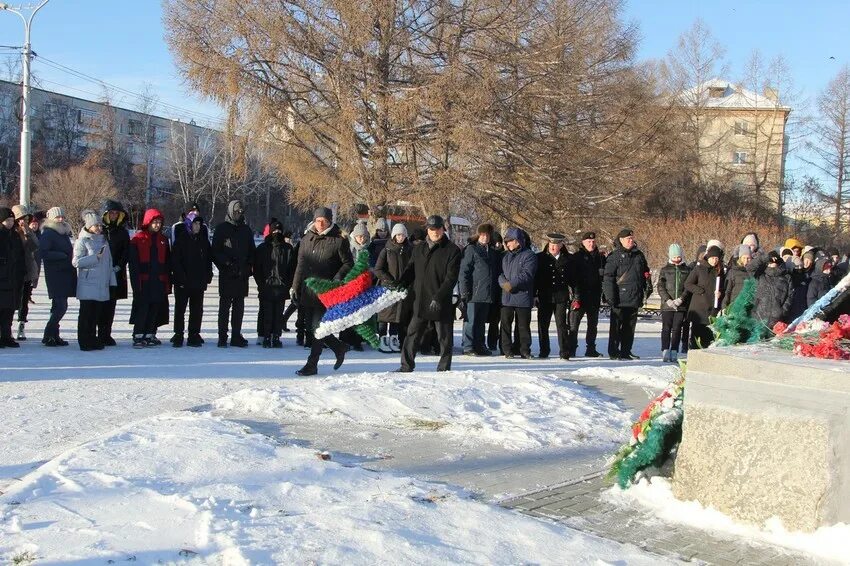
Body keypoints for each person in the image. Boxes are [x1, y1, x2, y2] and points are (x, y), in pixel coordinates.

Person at [292, 207, 354, 376]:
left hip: (326, 291)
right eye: (318, 220)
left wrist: (336, 279)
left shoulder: (338, 240)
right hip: (308, 289)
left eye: (324, 221)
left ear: (329, 221)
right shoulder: (307, 238)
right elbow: (301, 265)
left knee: (317, 327)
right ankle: (339, 347)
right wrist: (295, 286)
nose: (320, 224)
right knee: (311, 328)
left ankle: (312, 364)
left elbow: (348, 263)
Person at [395, 215, 460, 372]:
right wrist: (401, 283)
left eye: (438, 228)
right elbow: (410, 270)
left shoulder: (452, 250)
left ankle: (444, 368)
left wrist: (439, 297)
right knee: (412, 334)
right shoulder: (419, 248)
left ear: (443, 229)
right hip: (421, 300)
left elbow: (451, 278)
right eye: (431, 229)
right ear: (427, 230)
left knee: (444, 337)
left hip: (440, 300)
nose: (435, 232)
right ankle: (406, 366)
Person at [212, 199, 255, 347]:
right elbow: (215, 251)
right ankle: (222, 336)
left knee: (239, 308)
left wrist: (248, 267)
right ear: (231, 211)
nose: (239, 213)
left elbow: (252, 251)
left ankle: (236, 335)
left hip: (242, 274)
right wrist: (226, 264)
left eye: (241, 211)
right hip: (227, 274)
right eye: (236, 211)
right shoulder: (222, 229)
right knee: (224, 307)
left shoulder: (246, 230)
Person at [603, 229, 651, 360]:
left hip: (634, 296)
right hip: (619, 298)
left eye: (632, 238)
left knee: (630, 328)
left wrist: (647, 285)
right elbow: (608, 278)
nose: (631, 240)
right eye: (628, 239)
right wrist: (610, 297)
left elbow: (645, 272)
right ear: (621, 240)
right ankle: (614, 351)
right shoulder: (614, 256)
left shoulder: (639, 255)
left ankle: (626, 351)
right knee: (616, 327)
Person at [73, 210, 116, 351]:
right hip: (88, 283)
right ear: (89, 226)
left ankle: (93, 339)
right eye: (96, 226)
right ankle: (84, 341)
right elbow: (76, 262)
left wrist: (111, 280)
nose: (99, 228)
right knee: (86, 314)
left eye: (100, 226)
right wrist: (94, 258)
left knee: (95, 314)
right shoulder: (82, 241)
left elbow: (109, 262)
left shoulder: (104, 240)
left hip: (101, 283)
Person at [129, 209, 171, 348]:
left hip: (158, 280)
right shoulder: (138, 239)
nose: (157, 225)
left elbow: (167, 261)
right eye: (155, 222)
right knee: (143, 308)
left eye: (159, 222)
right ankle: (139, 335)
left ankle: (150, 333)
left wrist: (167, 281)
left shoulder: (163, 240)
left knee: (155, 307)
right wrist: (136, 283)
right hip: (144, 280)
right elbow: (133, 264)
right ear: (148, 222)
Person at [171, 211, 213, 347]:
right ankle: (178, 334)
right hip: (182, 282)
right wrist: (181, 278)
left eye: (199, 224)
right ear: (189, 224)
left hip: (198, 282)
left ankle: (194, 334)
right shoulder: (181, 239)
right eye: (195, 223)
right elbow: (175, 261)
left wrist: (208, 275)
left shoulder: (203, 240)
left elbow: (208, 259)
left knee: (197, 309)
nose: (198, 226)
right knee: (180, 309)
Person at [458, 223, 500, 356]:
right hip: (473, 292)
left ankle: (480, 345)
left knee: (481, 322)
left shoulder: (492, 252)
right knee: (471, 321)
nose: (485, 238)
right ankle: (469, 346)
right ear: (478, 235)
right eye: (482, 235)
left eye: (487, 235)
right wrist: (464, 291)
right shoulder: (471, 249)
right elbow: (464, 271)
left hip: (487, 292)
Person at [253, 220, 295, 348]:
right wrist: (261, 283)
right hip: (267, 286)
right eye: (274, 231)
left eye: (279, 231)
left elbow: (292, 268)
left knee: (278, 313)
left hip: (281, 287)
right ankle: (265, 336)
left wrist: (288, 284)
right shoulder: (262, 248)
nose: (277, 233)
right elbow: (257, 268)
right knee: (267, 312)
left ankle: (276, 336)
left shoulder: (287, 249)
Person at [374, 222, 413, 353]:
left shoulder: (409, 249)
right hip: (387, 288)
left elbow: (412, 268)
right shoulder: (387, 250)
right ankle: (383, 338)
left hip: (401, 288)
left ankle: (394, 338)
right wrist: (389, 281)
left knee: (398, 315)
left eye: (402, 235)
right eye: (398, 235)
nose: (400, 237)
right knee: (385, 315)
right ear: (394, 236)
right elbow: (378, 269)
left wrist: (405, 282)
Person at [498, 227, 537, 359]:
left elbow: (527, 274)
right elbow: (500, 273)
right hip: (507, 296)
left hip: (523, 296)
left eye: (509, 241)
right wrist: (503, 283)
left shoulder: (529, 255)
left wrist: (512, 284)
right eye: (506, 242)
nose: (507, 244)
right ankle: (507, 349)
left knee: (523, 326)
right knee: (505, 325)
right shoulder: (505, 256)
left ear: (517, 241)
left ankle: (524, 349)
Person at [39, 207, 75, 347]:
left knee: (58, 306)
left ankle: (54, 335)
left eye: (62, 217)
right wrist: (62, 256)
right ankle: (48, 334)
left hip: (65, 273)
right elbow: (43, 252)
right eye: (57, 217)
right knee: (61, 306)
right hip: (55, 274)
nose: (61, 219)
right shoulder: (48, 233)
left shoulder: (63, 232)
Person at [568, 231, 604, 358]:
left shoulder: (600, 258)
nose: (591, 244)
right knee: (573, 325)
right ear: (583, 242)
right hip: (579, 296)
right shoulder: (576, 257)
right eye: (589, 242)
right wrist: (575, 295)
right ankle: (571, 348)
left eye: (593, 242)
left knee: (593, 325)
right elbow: (572, 278)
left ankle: (591, 349)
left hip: (594, 296)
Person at [535, 232, 571, 359]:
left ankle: (564, 351)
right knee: (543, 325)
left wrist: (575, 295)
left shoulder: (567, 259)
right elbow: (536, 278)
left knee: (561, 324)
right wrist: (535, 294)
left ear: (561, 245)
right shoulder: (540, 258)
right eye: (551, 244)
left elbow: (572, 279)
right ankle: (544, 350)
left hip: (561, 296)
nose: (553, 247)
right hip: (545, 296)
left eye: (556, 244)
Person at [99, 199, 130, 346]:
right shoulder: (100, 230)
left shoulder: (122, 232)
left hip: (116, 272)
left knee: (111, 304)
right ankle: (97, 333)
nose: (113, 215)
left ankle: (106, 333)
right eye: (111, 213)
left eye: (116, 213)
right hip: (99, 272)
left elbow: (126, 251)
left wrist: (119, 266)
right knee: (99, 303)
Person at [657, 243, 691, 363]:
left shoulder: (686, 270)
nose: (677, 259)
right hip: (668, 305)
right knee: (666, 328)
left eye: (679, 257)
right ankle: (665, 349)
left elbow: (688, 287)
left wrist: (681, 299)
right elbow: (660, 286)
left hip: (681, 305)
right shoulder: (665, 270)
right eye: (675, 257)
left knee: (677, 329)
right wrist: (668, 300)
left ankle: (674, 350)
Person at [685, 245, 724, 349]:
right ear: (708, 257)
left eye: (716, 258)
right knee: (696, 337)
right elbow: (688, 284)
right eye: (712, 258)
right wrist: (700, 290)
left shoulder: (719, 271)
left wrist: (720, 294)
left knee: (709, 337)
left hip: (712, 309)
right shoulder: (699, 268)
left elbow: (723, 287)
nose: (714, 261)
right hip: (699, 308)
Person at [11, 205, 40, 341]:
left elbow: (35, 246)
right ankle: (7, 327)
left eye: (26, 218)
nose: (24, 221)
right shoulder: (11, 232)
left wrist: (27, 231)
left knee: (24, 301)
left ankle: (21, 324)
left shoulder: (28, 231)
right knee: (11, 300)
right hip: (14, 271)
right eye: (22, 218)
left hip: (27, 270)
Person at [0, 207, 26, 347]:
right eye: (7, 220)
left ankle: (6, 335)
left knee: (9, 309)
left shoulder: (15, 235)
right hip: (3, 277)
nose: (10, 223)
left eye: (11, 220)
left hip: (13, 277)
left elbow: (21, 254)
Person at [752, 251, 793, 330]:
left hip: (778, 320)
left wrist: (782, 312)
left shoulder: (786, 277)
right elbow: (750, 267)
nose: (772, 263)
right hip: (759, 318)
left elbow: (790, 296)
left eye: (774, 261)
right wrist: (765, 258)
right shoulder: (760, 275)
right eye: (770, 262)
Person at [722, 244, 754, 310]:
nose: (746, 260)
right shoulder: (733, 271)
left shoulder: (754, 272)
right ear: (740, 258)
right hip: (734, 306)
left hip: (749, 308)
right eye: (744, 258)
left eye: (748, 258)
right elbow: (728, 291)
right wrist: (724, 307)